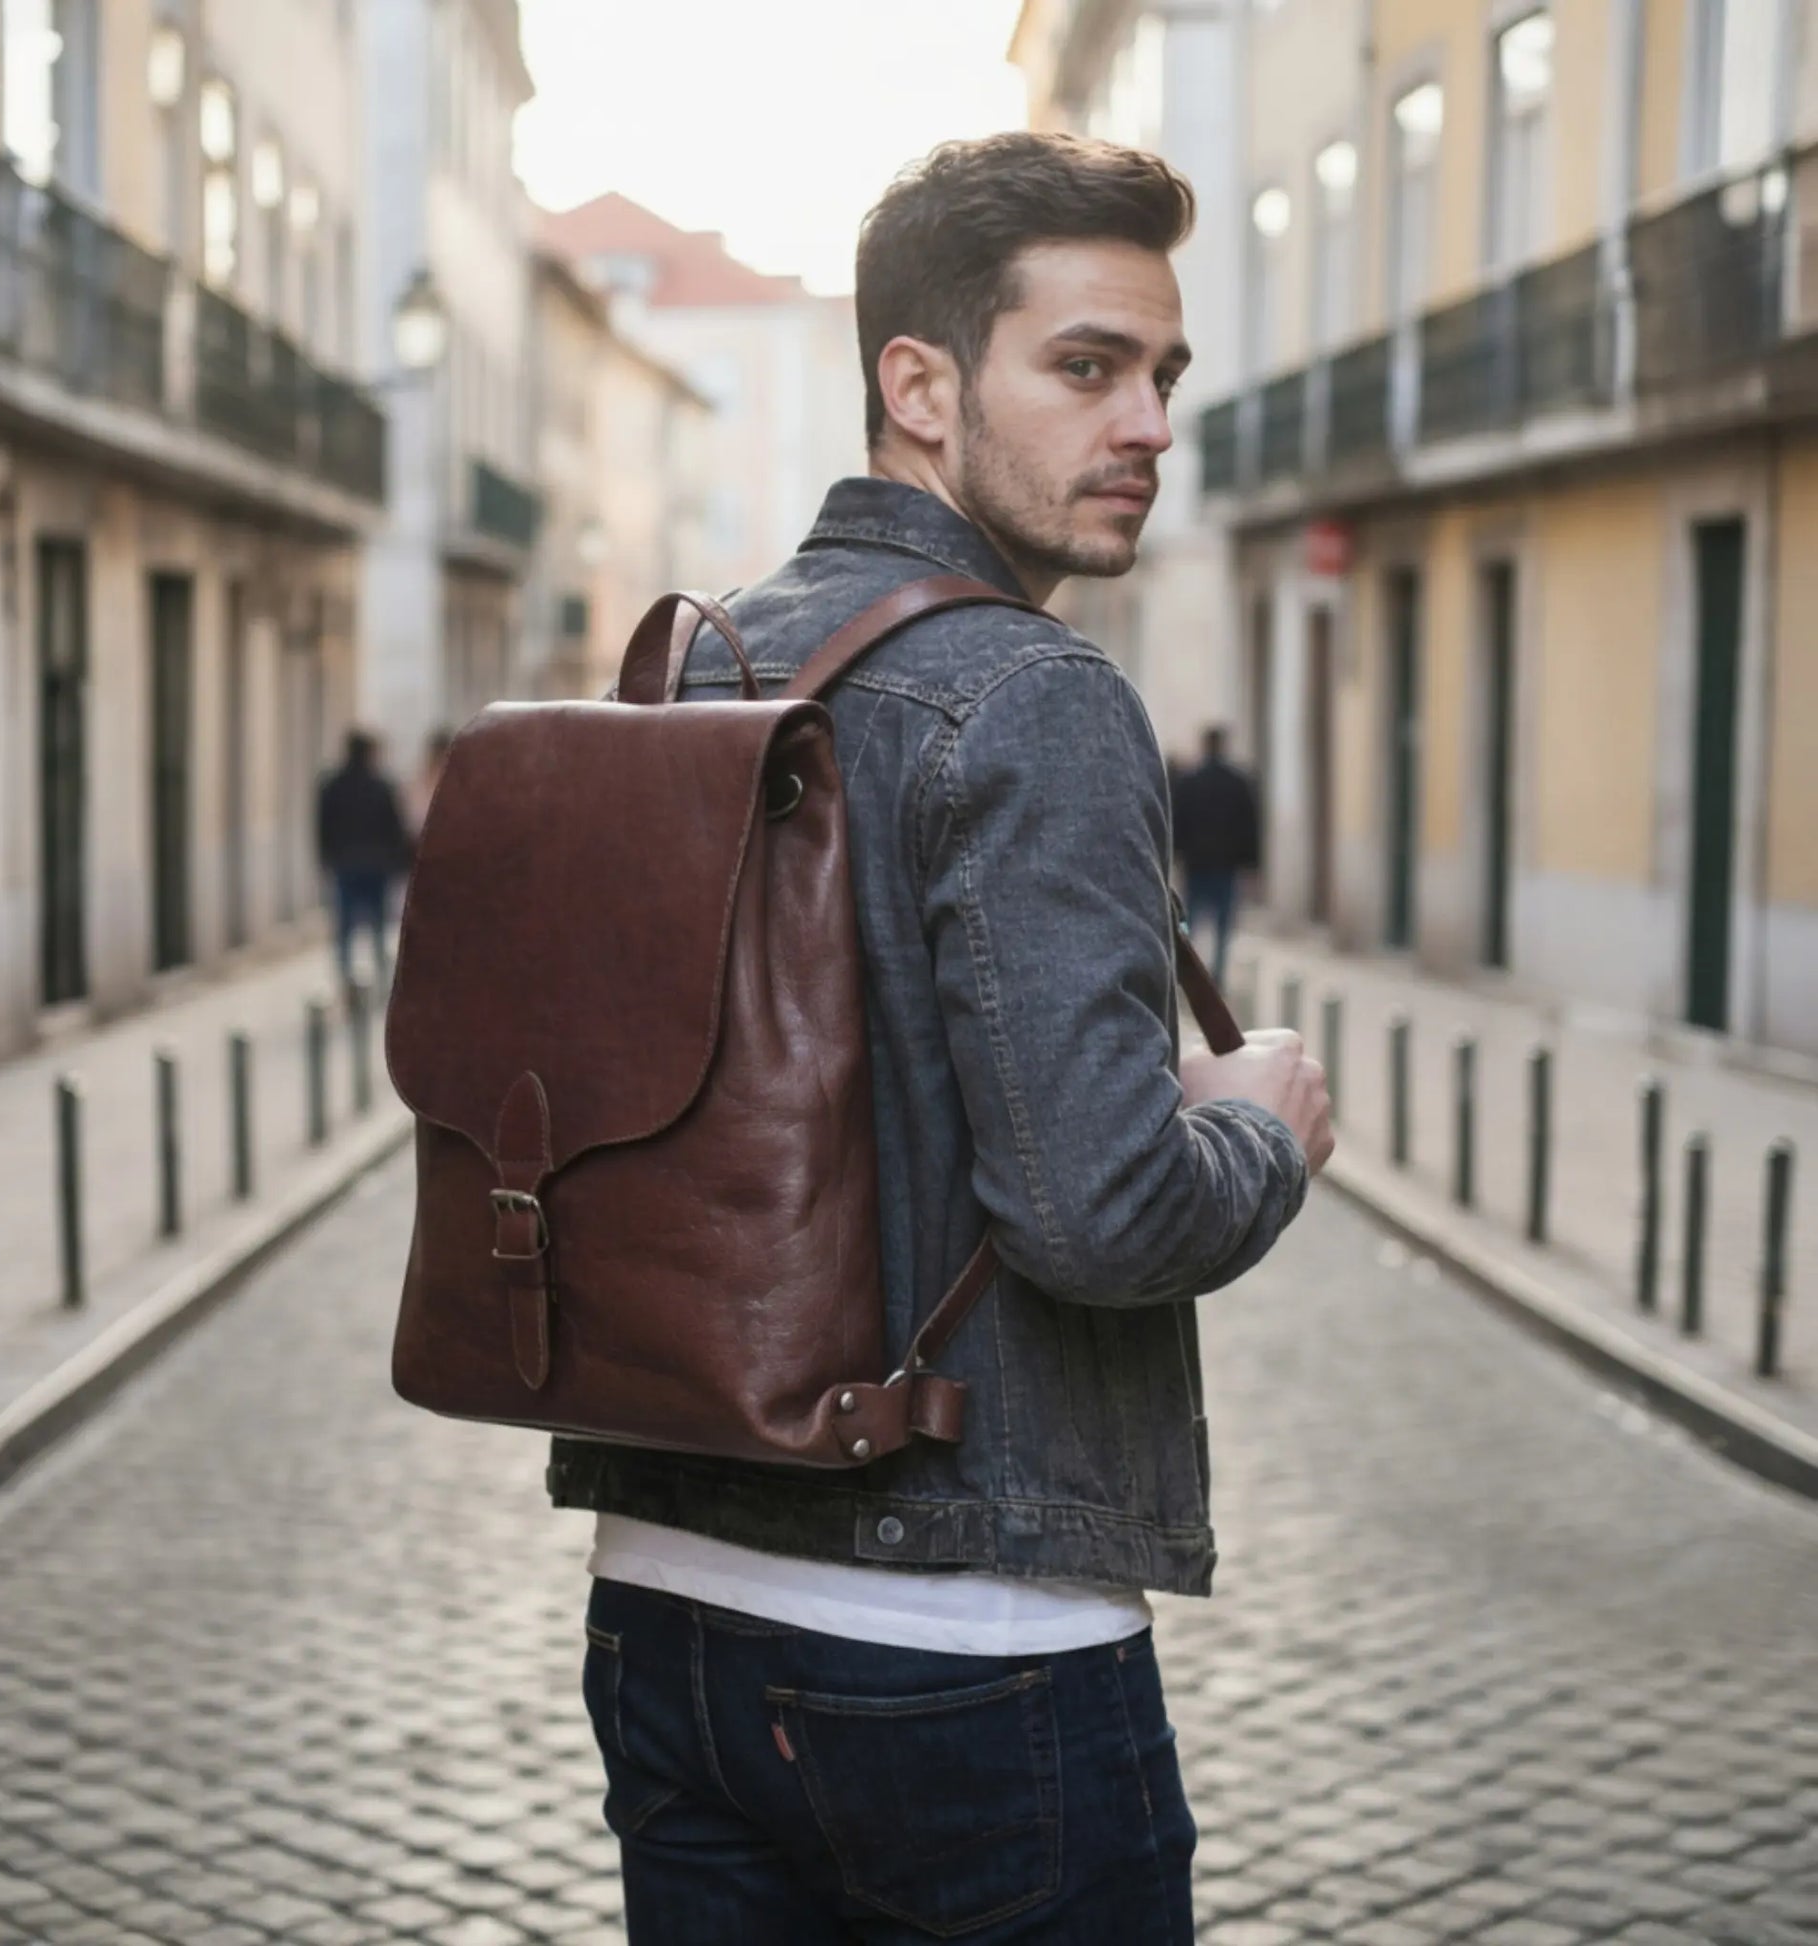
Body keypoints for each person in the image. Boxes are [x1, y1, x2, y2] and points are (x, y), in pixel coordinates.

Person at [549, 132, 1333, 1945]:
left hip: (664, 1610)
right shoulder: (1035, 694)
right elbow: (1102, 1216)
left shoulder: (708, 660)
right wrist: (1263, 1124)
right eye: (1084, 367)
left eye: (1162, 376)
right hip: (966, 1645)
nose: (1145, 422)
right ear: (917, 386)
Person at [315, 729, 409, 999]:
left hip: (345, 864)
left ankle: (347, 981)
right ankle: (381, 983)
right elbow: (396, 828)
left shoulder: (332, 785)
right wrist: (398, 864)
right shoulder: (383, 785)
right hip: (377, 866)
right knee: (379, 927)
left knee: (345, 927)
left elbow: (322, 827)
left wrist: (325, 859)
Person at [1170, 724, 1263, 985]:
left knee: (1189, 925)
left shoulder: (1189, 781)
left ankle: (1189, 976)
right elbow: (1250, 826)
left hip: (1197, 865)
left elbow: (1176, 822)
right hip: (1225, 866)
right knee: (1223, 927)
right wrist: (1252, 866)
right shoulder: (1237, 782)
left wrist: (1175, 857)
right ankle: (1217, 976)